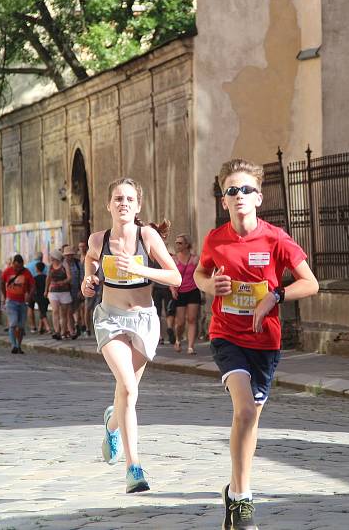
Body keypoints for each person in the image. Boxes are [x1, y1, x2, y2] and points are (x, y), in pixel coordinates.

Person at [194, 159, 319, 529]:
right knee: (245, 411)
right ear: (224, 201)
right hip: (226, 334)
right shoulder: (215, 240)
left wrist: (275, 297)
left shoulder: (275, 237)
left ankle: (234, 490)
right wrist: (207, 286)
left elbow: (310, 283)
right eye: (232, 190)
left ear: (259, 197)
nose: (239, 196)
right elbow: (201, 272)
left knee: (248, 422)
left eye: (246, 189)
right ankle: (244, 498)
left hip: (265, 341)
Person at [82, 177, 181, 494]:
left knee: (126, 393)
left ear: (137, 206)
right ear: (108, 205)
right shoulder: (99, 239)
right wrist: (88, 279)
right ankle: (134, 469)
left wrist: (142, 270)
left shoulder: (147, 236)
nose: (122, 203)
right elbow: (90, 261)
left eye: (128, 199)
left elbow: (175, 276)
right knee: (127, 387)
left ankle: (112, 423)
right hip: (110, 319)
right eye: (117, 198)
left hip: (143, 320)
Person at [171, 233, 202, 355]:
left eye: (180, 243)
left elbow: (200, 275)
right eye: (176, 242)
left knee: (192, 319)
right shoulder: (174, 259)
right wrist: (172, 289)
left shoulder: (195, 259)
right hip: (180, 292)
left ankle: (190, 347)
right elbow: (170, 276)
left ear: (186, 244)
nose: (177, 245)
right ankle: (178, 339)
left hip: (193, 291)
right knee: (180, 322)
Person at [0, 254, 35, 354]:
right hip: (11, 301)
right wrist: (4, 295)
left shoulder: (26, 272)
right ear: (13, 264)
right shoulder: (7, 271)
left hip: (22, 302)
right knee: (13, 323)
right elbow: (2, 282)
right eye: (16, 267)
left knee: (21, 326)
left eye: (19, 267)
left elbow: (33, 286)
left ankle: (19, 345)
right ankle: (13, 345)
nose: (17, 269)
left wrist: (29, 295)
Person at [46, 249, 73, 340]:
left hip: (64, 291)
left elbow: (69, 277)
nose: (50, 258)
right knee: (55, 311)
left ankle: (63, 332)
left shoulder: (64, 266)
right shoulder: (50, 267)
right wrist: (46, 290)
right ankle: (57, 331)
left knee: (63, 313)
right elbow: (48, 279)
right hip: (53, 291)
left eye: (52, 257)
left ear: (55, 257)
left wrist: (63, 282)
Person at [64, 245, 83, 339]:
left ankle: (76, 326)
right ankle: (71, 331)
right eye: (67, 255)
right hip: (65, 291)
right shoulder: (62, 264)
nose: (69, 257)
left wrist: (81, 289)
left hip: (76, 290)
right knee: (69, 311)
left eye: (70, 255)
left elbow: (81, 277)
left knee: (76, 309)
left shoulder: (77, 263)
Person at [30, 261, 51, 334]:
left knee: (42, 313)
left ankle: (48, 328)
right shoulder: (46, 277)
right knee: (43, 311)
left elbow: (34, 288)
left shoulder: (35, 278)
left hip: (39, 297)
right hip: (46, 296)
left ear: (37, 269)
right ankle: (40, 328)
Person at [25, 251, 43, 332]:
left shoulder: (28, 266)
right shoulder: (45, 266)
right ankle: (40, 326)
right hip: (41, 290)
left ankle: (33, 326)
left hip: (30, 289)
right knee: (41, 308)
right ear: (41, 257)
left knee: (30, 307)